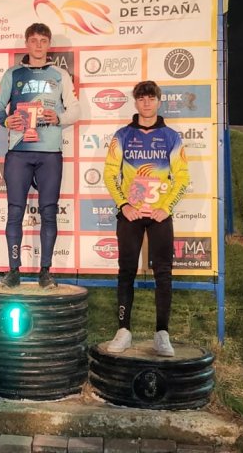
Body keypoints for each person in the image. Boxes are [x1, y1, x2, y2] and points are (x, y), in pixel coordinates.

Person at [102, 81, 190, 357]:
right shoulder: (122, 135)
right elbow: (109, 174)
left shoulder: (171, 137)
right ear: (136, 102)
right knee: (126, 271)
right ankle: (123, 330)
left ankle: (162, 334)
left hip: (159, 215)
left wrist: (166, 207)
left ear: (159, 102)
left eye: (151, 98)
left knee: (163, 273)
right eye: (142, 98)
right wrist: (124, 204)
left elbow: (182, 178)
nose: (147, 103)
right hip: (131, 213)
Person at [0, 22, 79, 288]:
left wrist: (59, 117)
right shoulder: (13, 74)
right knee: (15, 212)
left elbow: (75, 109)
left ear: (49, 44)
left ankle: (45, 272)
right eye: (34, 40)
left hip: (49, 153)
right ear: (26, 43)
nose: (38, 45)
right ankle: (13, 271)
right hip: (19, 152)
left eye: (43, 41)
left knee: (49, 212)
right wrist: (6, 121)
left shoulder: (60, 75)